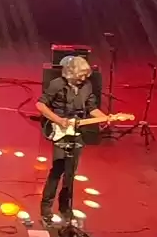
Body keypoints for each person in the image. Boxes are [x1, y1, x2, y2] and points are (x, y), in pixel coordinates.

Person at [36, 55, 109, 223]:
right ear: (71, 73)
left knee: (70, 173)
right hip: (59, 131)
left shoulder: (87, 86)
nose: (84, 78)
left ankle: (65, 207)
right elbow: (40, 105)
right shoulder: (57, 85)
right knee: (57, 170)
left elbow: (92, 108)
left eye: (86, 75)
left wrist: (105, 118)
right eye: (81, 75)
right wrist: (58, 120)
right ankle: (46, 208)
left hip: (76, 133)